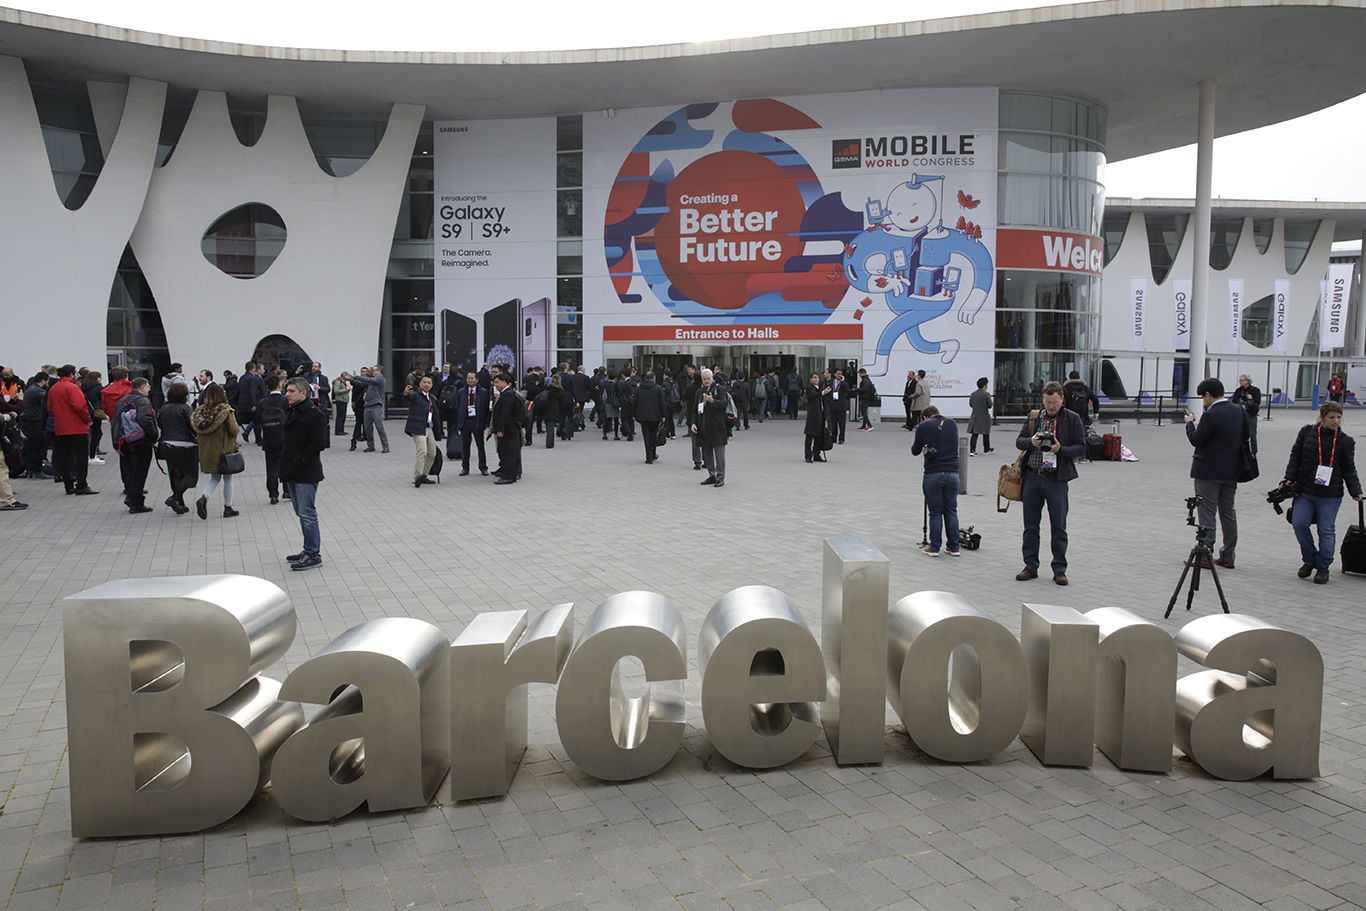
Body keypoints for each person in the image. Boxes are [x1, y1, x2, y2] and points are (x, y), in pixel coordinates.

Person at [1279, 401, 1362, 584]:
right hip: (1306, 490)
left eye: (1339, 417)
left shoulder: (1345, 441)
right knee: (1299, 523)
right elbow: (1295, 457)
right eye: (1331, 417)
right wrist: (1288, 479)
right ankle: (1309, 560)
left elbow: (1349, 469)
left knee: (1326, 530)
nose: (1336, 421)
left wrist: (1356, 491)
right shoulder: (1307, 432)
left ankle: (1323, 566)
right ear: (1322, 417)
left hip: (1330, 494)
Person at [1016, 380, 1086, 585]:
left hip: (1057, 479)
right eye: (1047, 402)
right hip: (1033, 477)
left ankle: (1059, 568)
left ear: (1062, 399)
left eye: (1054, 402)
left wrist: (1060, 450)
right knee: (1030, 525)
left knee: (1059, 526)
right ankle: (1030, 566)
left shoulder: (1072, 419)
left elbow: (1081, 448)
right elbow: (1019, 441)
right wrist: (1031, 442)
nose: (1051, 406)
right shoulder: (1034, 417)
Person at [1184, 377, 1251, 570]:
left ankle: (1205, 553)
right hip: (1232, 470)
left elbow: (1196, 439)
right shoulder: (1238, 410)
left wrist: (1189, 423)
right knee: (1228, 512)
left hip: (1209, 471)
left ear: (1208, 395)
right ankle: (1228, 554)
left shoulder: (1211, 414)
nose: (1204, 401)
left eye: (1203, 397)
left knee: (1207, 512)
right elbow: (1246, 436)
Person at [280, 377, 327, 570]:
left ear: (303, 393)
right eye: (287, 391)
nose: (287, 394)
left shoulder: (313, 414)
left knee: (307, 513)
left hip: (305, 471)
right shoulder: (292, 411)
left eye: (291, 391)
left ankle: (313, 554)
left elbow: (318, 443)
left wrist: (301, 459)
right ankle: (307, 549)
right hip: (292, 469)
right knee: (301, 512)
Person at [912, 406, 961, 556]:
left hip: (933, 473)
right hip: (953, 472)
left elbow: (915, 451)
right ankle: (954, 546)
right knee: (951, 510)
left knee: (935, 512)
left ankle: (934, 547)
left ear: (925, 417)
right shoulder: (952, 423)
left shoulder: (923, 426)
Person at [191, 383, 241, 519]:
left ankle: (204, 498)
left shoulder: (199, 413)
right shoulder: (225, 411)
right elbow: (234, 430)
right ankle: (228, 507)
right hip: (224, 451)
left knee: (215, 477)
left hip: (207, 452)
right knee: (228, 478)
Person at [48, 365, 96, 497]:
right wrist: (87, 419)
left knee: (64, 456)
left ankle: (68, 485)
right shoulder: (73, 388)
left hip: (61, 427)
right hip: (77, 426)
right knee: (81, 456)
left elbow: (50, 407)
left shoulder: (54, 388)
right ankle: (81, 484)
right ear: (71, 374)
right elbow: (80, 406)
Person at [114, 377, 158, 514]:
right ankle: (136, 502)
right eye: (148, 386)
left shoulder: (122, 400)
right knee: (140, 471)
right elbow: (145, 419)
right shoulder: (143, 401)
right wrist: (153, 435)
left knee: (132, 470)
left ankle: (131, 495)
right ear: (142, 387)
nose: (149, 388)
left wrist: (116, 442)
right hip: (140, 442)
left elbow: (115, 422)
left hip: (125, 441)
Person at [157, 381, 198, 515]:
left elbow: (160, 424)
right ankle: (175, 498)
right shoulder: (186, 408)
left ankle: (179, 503)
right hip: (185, 445)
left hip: (166, 444)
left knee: (176, 474)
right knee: (191, 477)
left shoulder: (164, 407)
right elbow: (192, 426)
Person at [692, 368, 730, 487]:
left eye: (708, 378)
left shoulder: (720, 389)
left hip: (717, 427)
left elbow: (724, 403)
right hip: (703, 427)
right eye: (704, 379)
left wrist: (712, 400)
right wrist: (693, 423)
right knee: (707, 454)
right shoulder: (699, 391)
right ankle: (711, 475)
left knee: (719, 455)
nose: (707, 381)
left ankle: (720, 477)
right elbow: (694, 410)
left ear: (712, 378)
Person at [404, 374, 441, 487]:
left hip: (429, 427)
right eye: (424, 382)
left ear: (432, 385)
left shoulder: (432, 398)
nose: (426, 384)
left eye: (429, 383)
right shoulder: (415, 395)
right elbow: (408, 397)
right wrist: (406, 392)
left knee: (432, 453)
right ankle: (417, 476)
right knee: (422, 451)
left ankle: (424, 476)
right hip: (417, 427)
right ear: (420, 384)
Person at [257, 375, 289, 504]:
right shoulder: (285, 401)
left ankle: (273, 494)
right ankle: (287, 491)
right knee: (285, 464)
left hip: (269, 439)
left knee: (271, 467)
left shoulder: (261, 403)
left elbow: (258, 421)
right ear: (280, 385)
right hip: (284, 438)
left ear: (266, 387)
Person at [453, 371, 490, 475]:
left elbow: (486, 407)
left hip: (477, 421)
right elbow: (458, 405)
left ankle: (483, 467)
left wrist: (484, 421)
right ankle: (465, 467)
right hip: (465, 421)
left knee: (480, 446)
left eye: (472, 378)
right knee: (465, 447)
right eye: (468, 378)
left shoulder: (483, 392)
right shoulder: (461, 392)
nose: (470, 380)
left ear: (477, 380)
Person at [488, 373, 523, 484]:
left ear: (505, 382)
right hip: (508, 429)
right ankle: (507, 474)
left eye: (497, 382)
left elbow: (505, 414)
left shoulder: (508, 395)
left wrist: (500, 429)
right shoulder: (505, 393)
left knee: (509, 453)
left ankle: (509, 476)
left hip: (509, 430)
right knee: (506, 452)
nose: (495, 385)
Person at [352, 365, 390, 453]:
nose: (372, 371)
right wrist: (350, 379)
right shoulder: (372, 381)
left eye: (373, 370)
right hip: (367, 405)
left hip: (376, 405)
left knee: (379, 426)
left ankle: (385, 446)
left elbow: (367, 380)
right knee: (367, 427)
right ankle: (370, 445)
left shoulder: (380, 379)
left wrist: (356, 376)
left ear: (379, 371)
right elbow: (361, 384)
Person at [634, 370, 666, 464]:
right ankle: (653, 453)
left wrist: (634, 414)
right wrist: (663, 415)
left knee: (646, 436)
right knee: (654, 435)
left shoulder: (639, 389)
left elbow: (634, 402)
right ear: (654, 378)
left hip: (643, 416)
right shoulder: (658, 388)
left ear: (645, 378)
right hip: (655, 416)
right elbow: (662, 403)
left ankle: (649, 457)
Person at [1230, 373, 1262, 456]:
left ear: (1247, 381)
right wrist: (1240, 401)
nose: (1240, 382)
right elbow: (1234, 401)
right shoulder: (1238, 391)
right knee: (1240, 432)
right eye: (1239, 380)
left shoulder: (1255, 390)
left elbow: (1257, 402)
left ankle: (1254, 451)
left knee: (1252, 434)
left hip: (1251, 414)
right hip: (1240, 414)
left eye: (1242, 380)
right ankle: (1240, 449)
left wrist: (1250, 399)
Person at [533, 374, 566, 449]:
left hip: (546, 407)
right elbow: (562, 402)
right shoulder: (560, 390)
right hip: (555, 408)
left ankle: (549, 441)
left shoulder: (547, 388)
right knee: (551, 425)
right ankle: (549, 443)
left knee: (548, 424)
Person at [236, 361, 266, 444]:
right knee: (256, 421)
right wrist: (254, 404)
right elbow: (252, 391)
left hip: (242, 403)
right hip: (250, 403)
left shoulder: (242, 377)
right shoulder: (253, 378)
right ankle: (259, 440)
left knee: (238, 421)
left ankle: (233, 439)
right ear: (253, 369)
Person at [80, 370, 105, 463]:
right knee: (96, 434)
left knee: (88, 435)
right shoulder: (98, 388)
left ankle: (86, 454)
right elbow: (102, 399)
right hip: (96, 413)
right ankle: (92, 455)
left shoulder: (82, 386)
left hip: (86, 412)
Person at [804, 372, 828, 463]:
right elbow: (813, 395)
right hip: (813, 415)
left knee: (819, 436)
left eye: (817, 377)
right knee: (810, 436)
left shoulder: (820, 388)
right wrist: (822, 392)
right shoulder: (810, 388)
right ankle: (808, 455)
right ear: (810, 379)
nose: (816, 379)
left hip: (820, 414)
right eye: (814, 378)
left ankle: (816, 454)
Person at [967, 377, 995, 455]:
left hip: (975, 416)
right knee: (986, 433)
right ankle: (986, 449)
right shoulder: (987, 394)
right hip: (984, 416)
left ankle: (972, 450)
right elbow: (989, 405)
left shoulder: (973, 394)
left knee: (975, 434)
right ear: (984, 385)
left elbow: (971, 404)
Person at [827, 368, 849, 444]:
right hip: (833, 405)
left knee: (842, 423)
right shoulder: (831, 382)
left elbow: (847, 390)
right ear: (835, 374)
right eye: (838, 373)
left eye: (841, 373)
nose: (839, 375)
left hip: (841, 405)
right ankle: (833, 437)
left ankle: (841, 438)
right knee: (833, 423)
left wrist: (843, 381)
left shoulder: (844, 383)